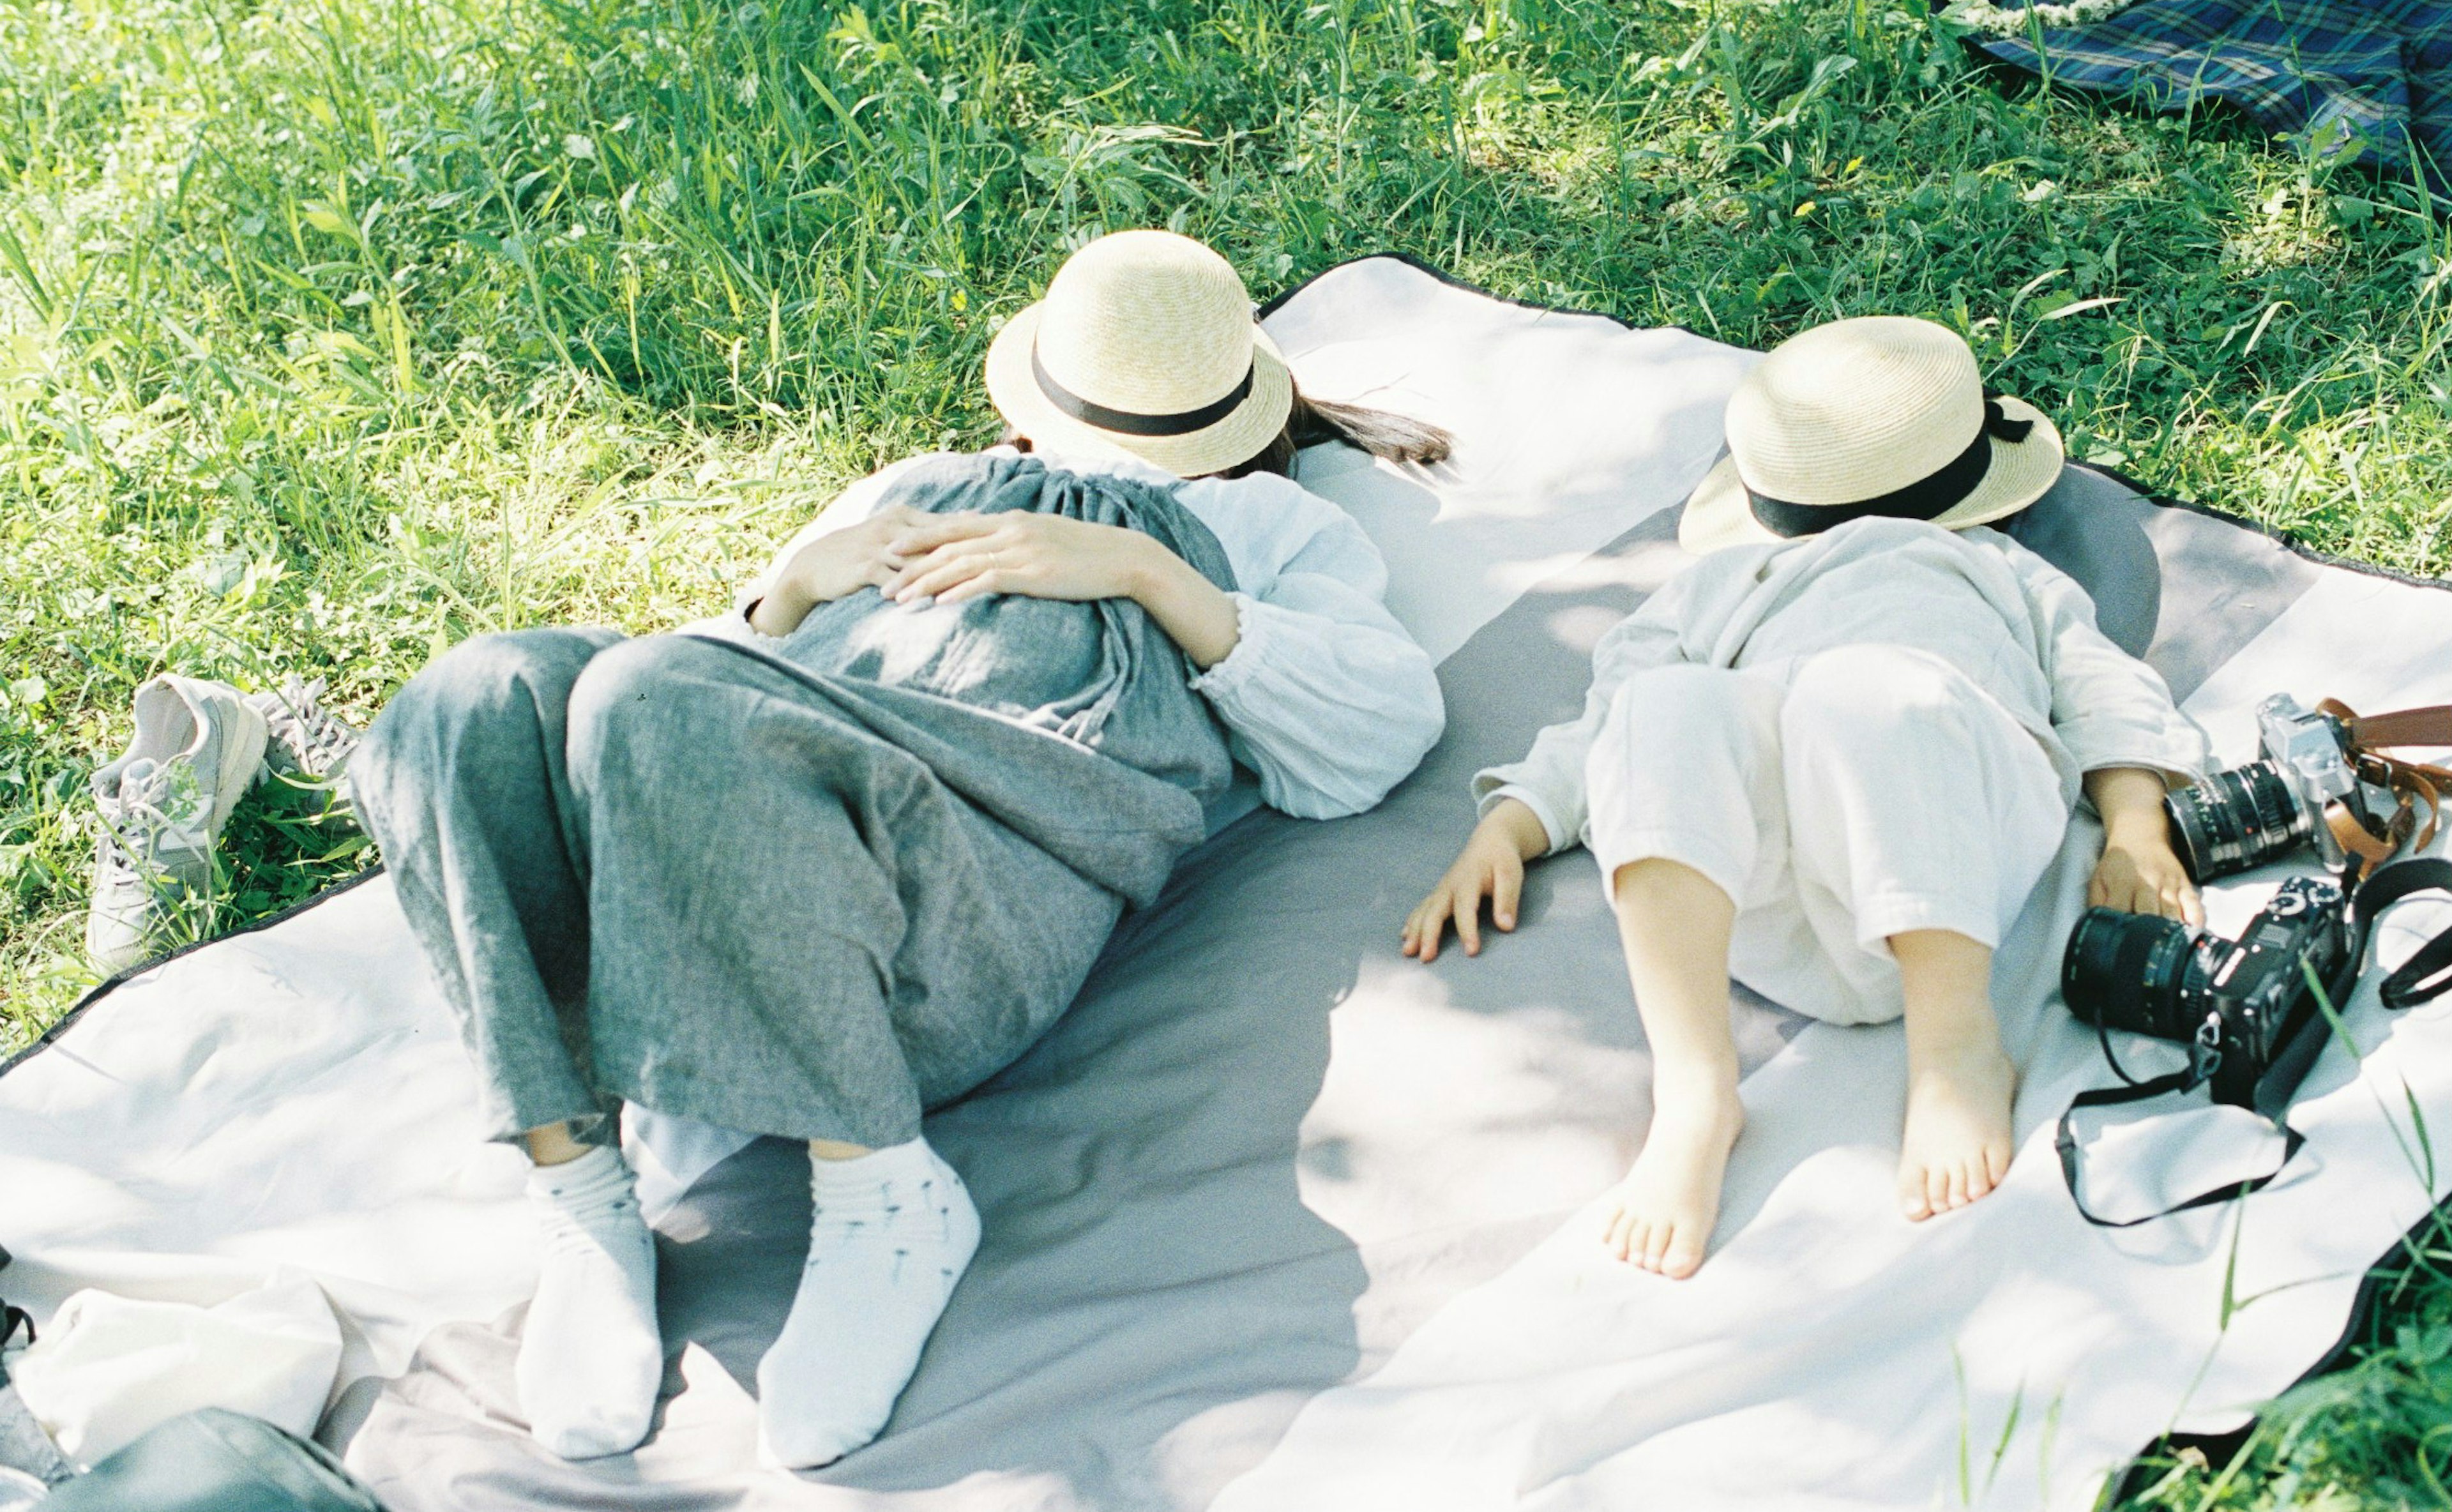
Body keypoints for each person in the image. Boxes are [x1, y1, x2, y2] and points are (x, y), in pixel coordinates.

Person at [350, 231, 1448, 1467]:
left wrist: (1139, 570)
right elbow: (693, 702)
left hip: (957, 894)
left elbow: (1372, 737)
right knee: (471, 698)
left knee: (652, 690)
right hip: (743, 858)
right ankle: (584, 1196)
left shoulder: (1262, 526)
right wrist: (789, 594)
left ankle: (885, 1196)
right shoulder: (924, 479)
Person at [1402, 315, 2207, 1280]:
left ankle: (1956, 1047)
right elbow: (1608, 726)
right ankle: (1697, 1086)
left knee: (1862, 691)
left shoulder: (2005, 571)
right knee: (1666, 705)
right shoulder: (1717, 585)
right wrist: (1511, 823)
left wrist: (2135, 823)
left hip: (1947, 851)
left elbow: (2104, 688)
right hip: (1778, 892)